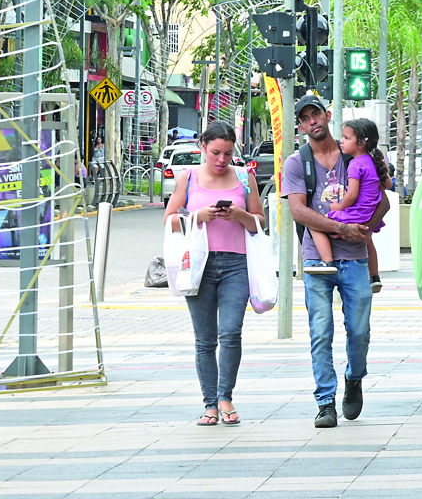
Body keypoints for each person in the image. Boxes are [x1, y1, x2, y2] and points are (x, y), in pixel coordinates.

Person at [283, 94, 389, 428]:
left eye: (316, 114)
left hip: (355, 258)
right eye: (305, 118)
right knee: (320, 330)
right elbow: (298, 210)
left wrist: (364, 230)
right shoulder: (297, 162)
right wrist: (340, 226)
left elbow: (382, 201)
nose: (312, 121)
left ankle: (354, 378)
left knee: (359, 331)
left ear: (327, 116)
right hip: (317, 259)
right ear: (300, 125)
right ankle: (325, 401)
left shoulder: (353, 154)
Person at [164, 120, 264, 427]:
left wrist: (240, 215)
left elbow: (260, 221)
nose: (221, 160)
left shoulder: (245, 177)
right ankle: (209, 404)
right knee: (205, 339)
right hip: (198, 265)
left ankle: (225, 397)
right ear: (203, 149)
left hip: (236, 263)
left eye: (228, 154)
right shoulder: (188, 177)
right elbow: (170, 219)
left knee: (231, 332)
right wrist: (197, 216)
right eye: (215, 153)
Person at [307, 118, 386, 274]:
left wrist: (339, 206)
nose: (341, 141)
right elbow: (387, 184)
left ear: (361, 143)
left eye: (347, 138)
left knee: (316, 224)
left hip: (356, 214)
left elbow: (352, 195)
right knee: (368, 240)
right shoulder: (372, 161)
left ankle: (327, 261)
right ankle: (374, 276)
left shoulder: (355, 164)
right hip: (369, 213)